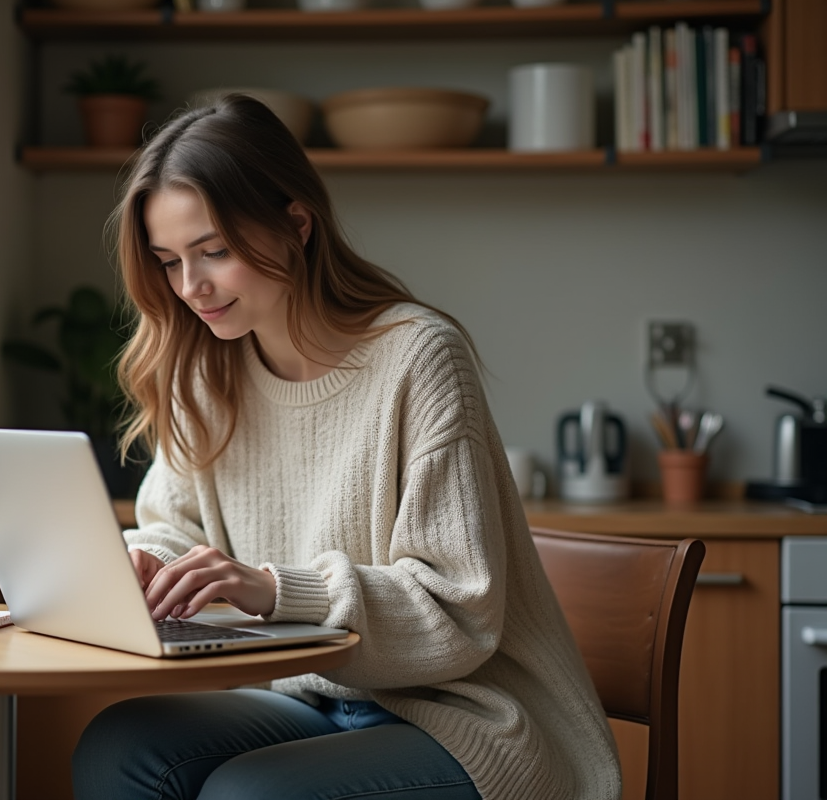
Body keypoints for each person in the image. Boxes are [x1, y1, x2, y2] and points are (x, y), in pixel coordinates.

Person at [71, 94, 620, 800]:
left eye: (214, 252)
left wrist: (272, 589)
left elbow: (458, 612)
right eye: (169, 261)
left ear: (295, 224)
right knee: (116, 748)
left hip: (465, 717)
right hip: (309, 698)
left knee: (252, 795)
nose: (191, 288)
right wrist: (151, 564)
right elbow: (178, 529)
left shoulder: (417, 357)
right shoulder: (204, 367)